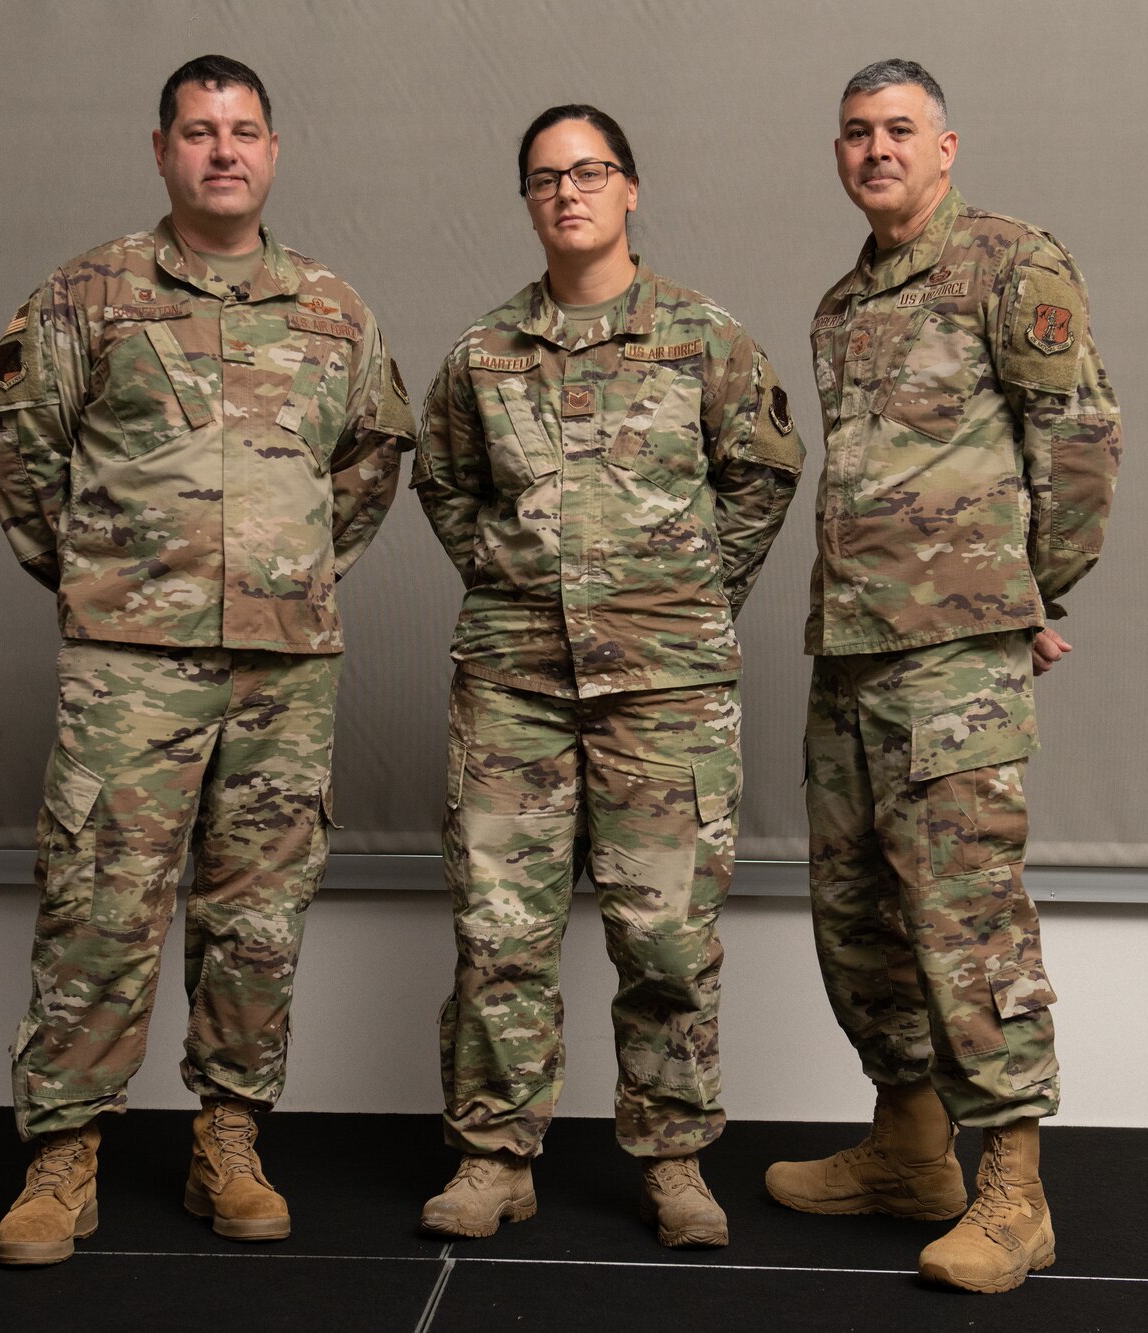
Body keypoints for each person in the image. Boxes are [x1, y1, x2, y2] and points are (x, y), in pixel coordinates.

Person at [0, 54, 415, 1266]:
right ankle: (63, 1156)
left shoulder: (333, 311)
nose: (224, 150)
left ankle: (229, 1138)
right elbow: (21, 455)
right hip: (130, 666)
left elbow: (370, 464)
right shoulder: (87, 296)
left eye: (245, 131)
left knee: (258, 914)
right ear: (162, 149)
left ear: (273, 152)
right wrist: (100, 579)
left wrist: (287, 575)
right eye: (199, 131)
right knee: (100, 905)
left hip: (284, 668)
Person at [412, 105, 804, 1249]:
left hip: (666, 689)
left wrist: (681, 597)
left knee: (667, 936)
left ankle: (673, 1159)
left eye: (588, 172)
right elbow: (443, 484)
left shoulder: (703, 338)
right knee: (499, 929)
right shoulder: (482, 354)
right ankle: (493, 1154)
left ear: (630, 189)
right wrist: (512, 579)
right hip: (513, 685)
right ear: (528, 202)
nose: (566, 192)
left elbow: (762, 472)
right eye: (543, 178)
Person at [764, 60, 1122, 1293]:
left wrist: (1028, 595)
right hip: (849, 652)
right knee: (856, 914)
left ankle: (1012, 1193)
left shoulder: (1010, 265)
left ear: (946, 146)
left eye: (899, 131)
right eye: (856, 133)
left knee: (966, 920)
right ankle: (909, 1147)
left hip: (953, 662)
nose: (876, 150)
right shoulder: (839, 305)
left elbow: (1075, 436)